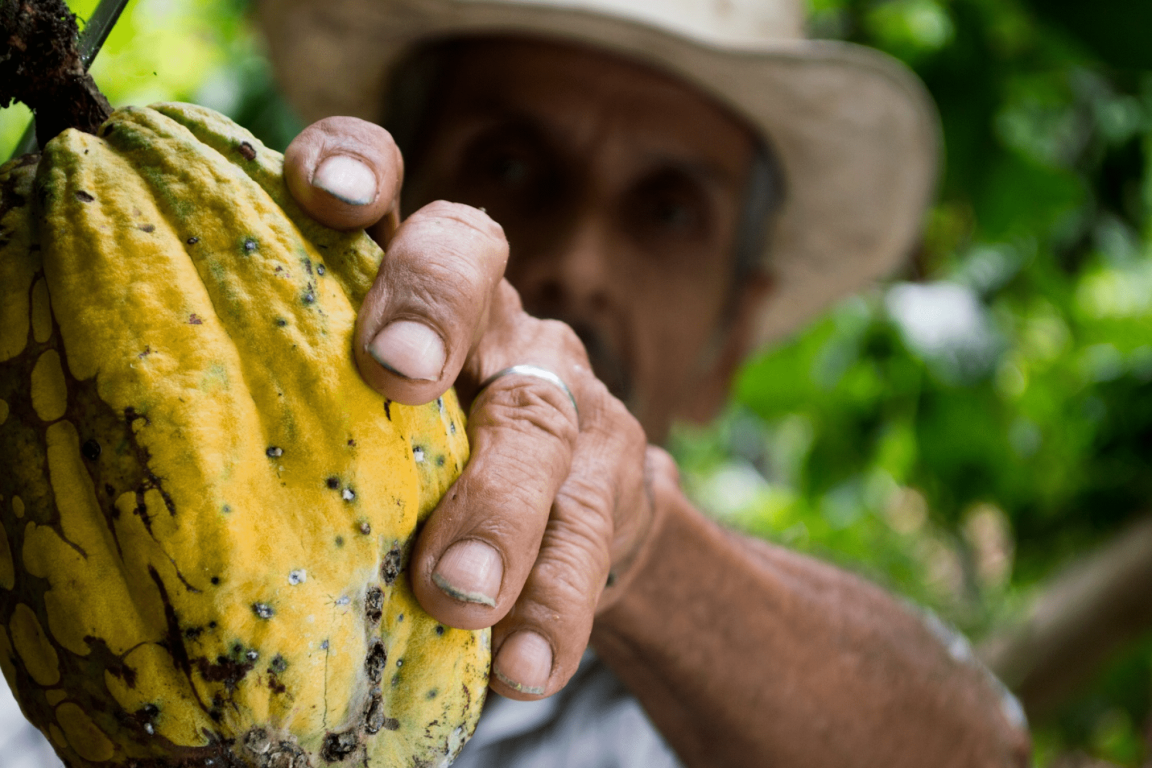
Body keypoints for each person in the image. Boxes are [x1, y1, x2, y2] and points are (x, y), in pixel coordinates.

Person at [0, 0, 1030, 766]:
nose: (580, 260)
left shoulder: (686, 720)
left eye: (667, 211)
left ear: (731, 340)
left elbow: (979, 750)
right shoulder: (63, 513)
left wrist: (637, 544)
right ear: (380, 195)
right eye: (512, 163)